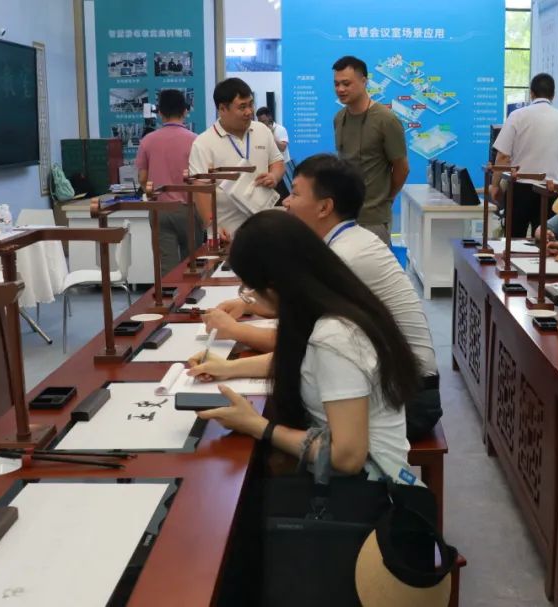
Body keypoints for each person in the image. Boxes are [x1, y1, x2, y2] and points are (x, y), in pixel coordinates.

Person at [206, 154, 443, 438]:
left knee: (268, 424)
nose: (286, 202)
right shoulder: (349, 241)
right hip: (396, 383)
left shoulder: (344, 256)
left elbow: (298, 344)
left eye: (295, 194)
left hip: (408, 398)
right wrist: (245, 312)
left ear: (324, 207)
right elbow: (303, 326)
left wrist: (234, 333)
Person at [188, 211, 422, 479]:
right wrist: (227, 368)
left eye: (250, 290)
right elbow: (302, 361)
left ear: (274, 285)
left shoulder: (335, 337)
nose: (250, 298)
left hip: (368, 490)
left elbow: (347, 458)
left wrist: (259, 426)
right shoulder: (334, 304)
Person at [189, 78, 285, 239]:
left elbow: (277, 162)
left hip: (264, 227)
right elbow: (200, 189)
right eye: (242, 107)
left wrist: (274, 176)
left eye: (251, 104)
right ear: (222, 109)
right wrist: (212, 224)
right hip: (227, 232)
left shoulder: (262, 131)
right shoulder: (204, 143)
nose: (249, 112)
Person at [333, 55, 409, 245]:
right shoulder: (339, 118)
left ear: (364, 81)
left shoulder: (386, 120)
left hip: (373, 220)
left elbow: (402, 168)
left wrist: (385, 199)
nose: (340, 89)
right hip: (344, 217)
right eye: (336, 84)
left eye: (346, 83)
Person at [490, 73, 558, 238]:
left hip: (521, 187)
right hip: (552, 189)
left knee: (514, 239)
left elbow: (503, 156)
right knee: (544, 240)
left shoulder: (517, 115)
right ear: (553, 95)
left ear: (531, 93)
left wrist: (495, 185)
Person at [135, 89, 201, 275]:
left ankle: (168, 293)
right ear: (185, 111)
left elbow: (142, 178)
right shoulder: (196, 141)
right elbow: (200, 180)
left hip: (160, 210)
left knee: (166, 268)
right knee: (193, 265)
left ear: (160, 112)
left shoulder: (147, 141)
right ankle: (192, 294)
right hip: (189, 210)